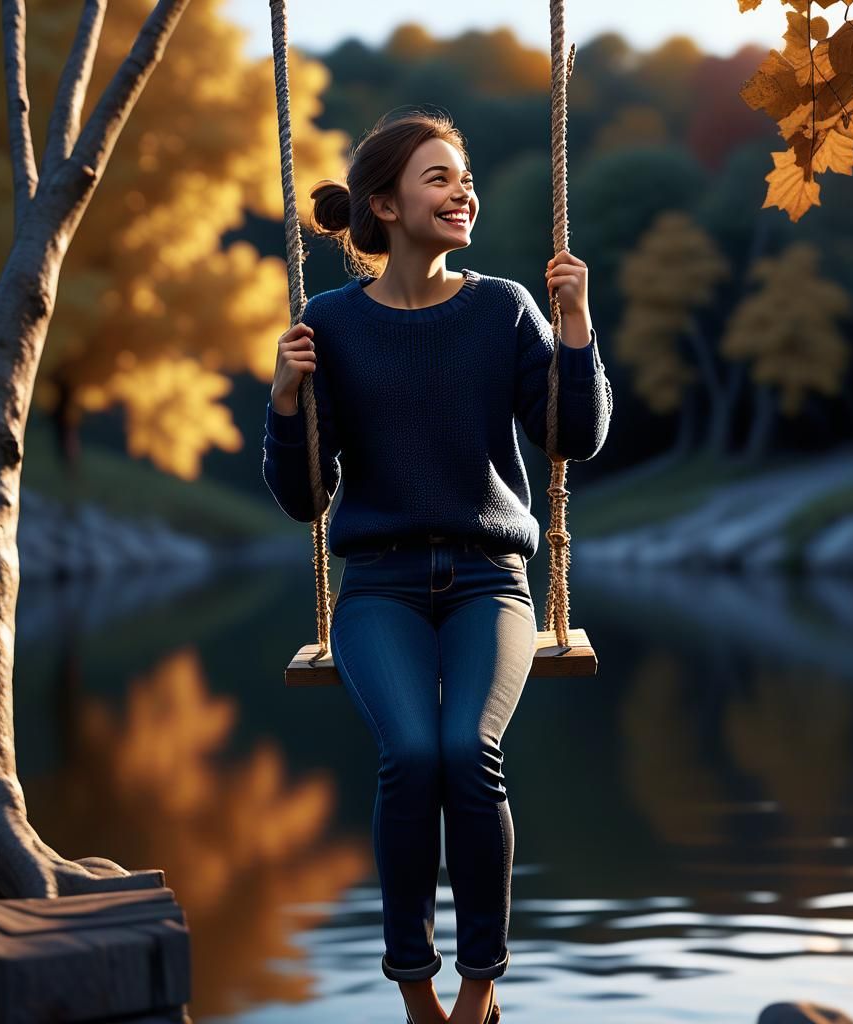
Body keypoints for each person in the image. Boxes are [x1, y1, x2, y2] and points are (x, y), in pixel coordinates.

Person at [261, 109, 613, 1024]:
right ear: (386, 203)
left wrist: (575, 328)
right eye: (439, 177)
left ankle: (482, 982)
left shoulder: (503, 309)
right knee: (412, 754)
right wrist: (286, 399)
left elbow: (572, 435)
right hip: (377, 587)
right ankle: (415, 989)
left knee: (469, 751)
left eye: (464, 177)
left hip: (489, 579)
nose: (464, 192)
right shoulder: (330, 324)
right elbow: (304, 499)